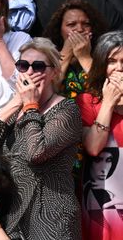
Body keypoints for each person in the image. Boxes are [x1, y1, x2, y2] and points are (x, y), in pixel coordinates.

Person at [0, 37, 82, 239]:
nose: (29, 72)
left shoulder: (66, 109)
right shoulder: (15, 109)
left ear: (54, 72)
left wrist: (31, 106)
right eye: (23, 65)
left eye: (38, 66)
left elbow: (35, 152)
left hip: (53, 218)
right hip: (16, 215)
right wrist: (15, 103)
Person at [77, 30, 123, 237]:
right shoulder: (87, 101)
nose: (119, 68)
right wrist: (108, 104)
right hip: (101, 198)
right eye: (112, 61)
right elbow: (93, 147)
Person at [43, 0, 106, 99]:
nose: (80, 29)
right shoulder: (47, 57)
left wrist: (84, 57)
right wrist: (66, 53)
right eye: (71, 25)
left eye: (86, 24)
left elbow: (104, 90)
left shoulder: (103, 56)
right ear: (59, 29)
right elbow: (47, 91)